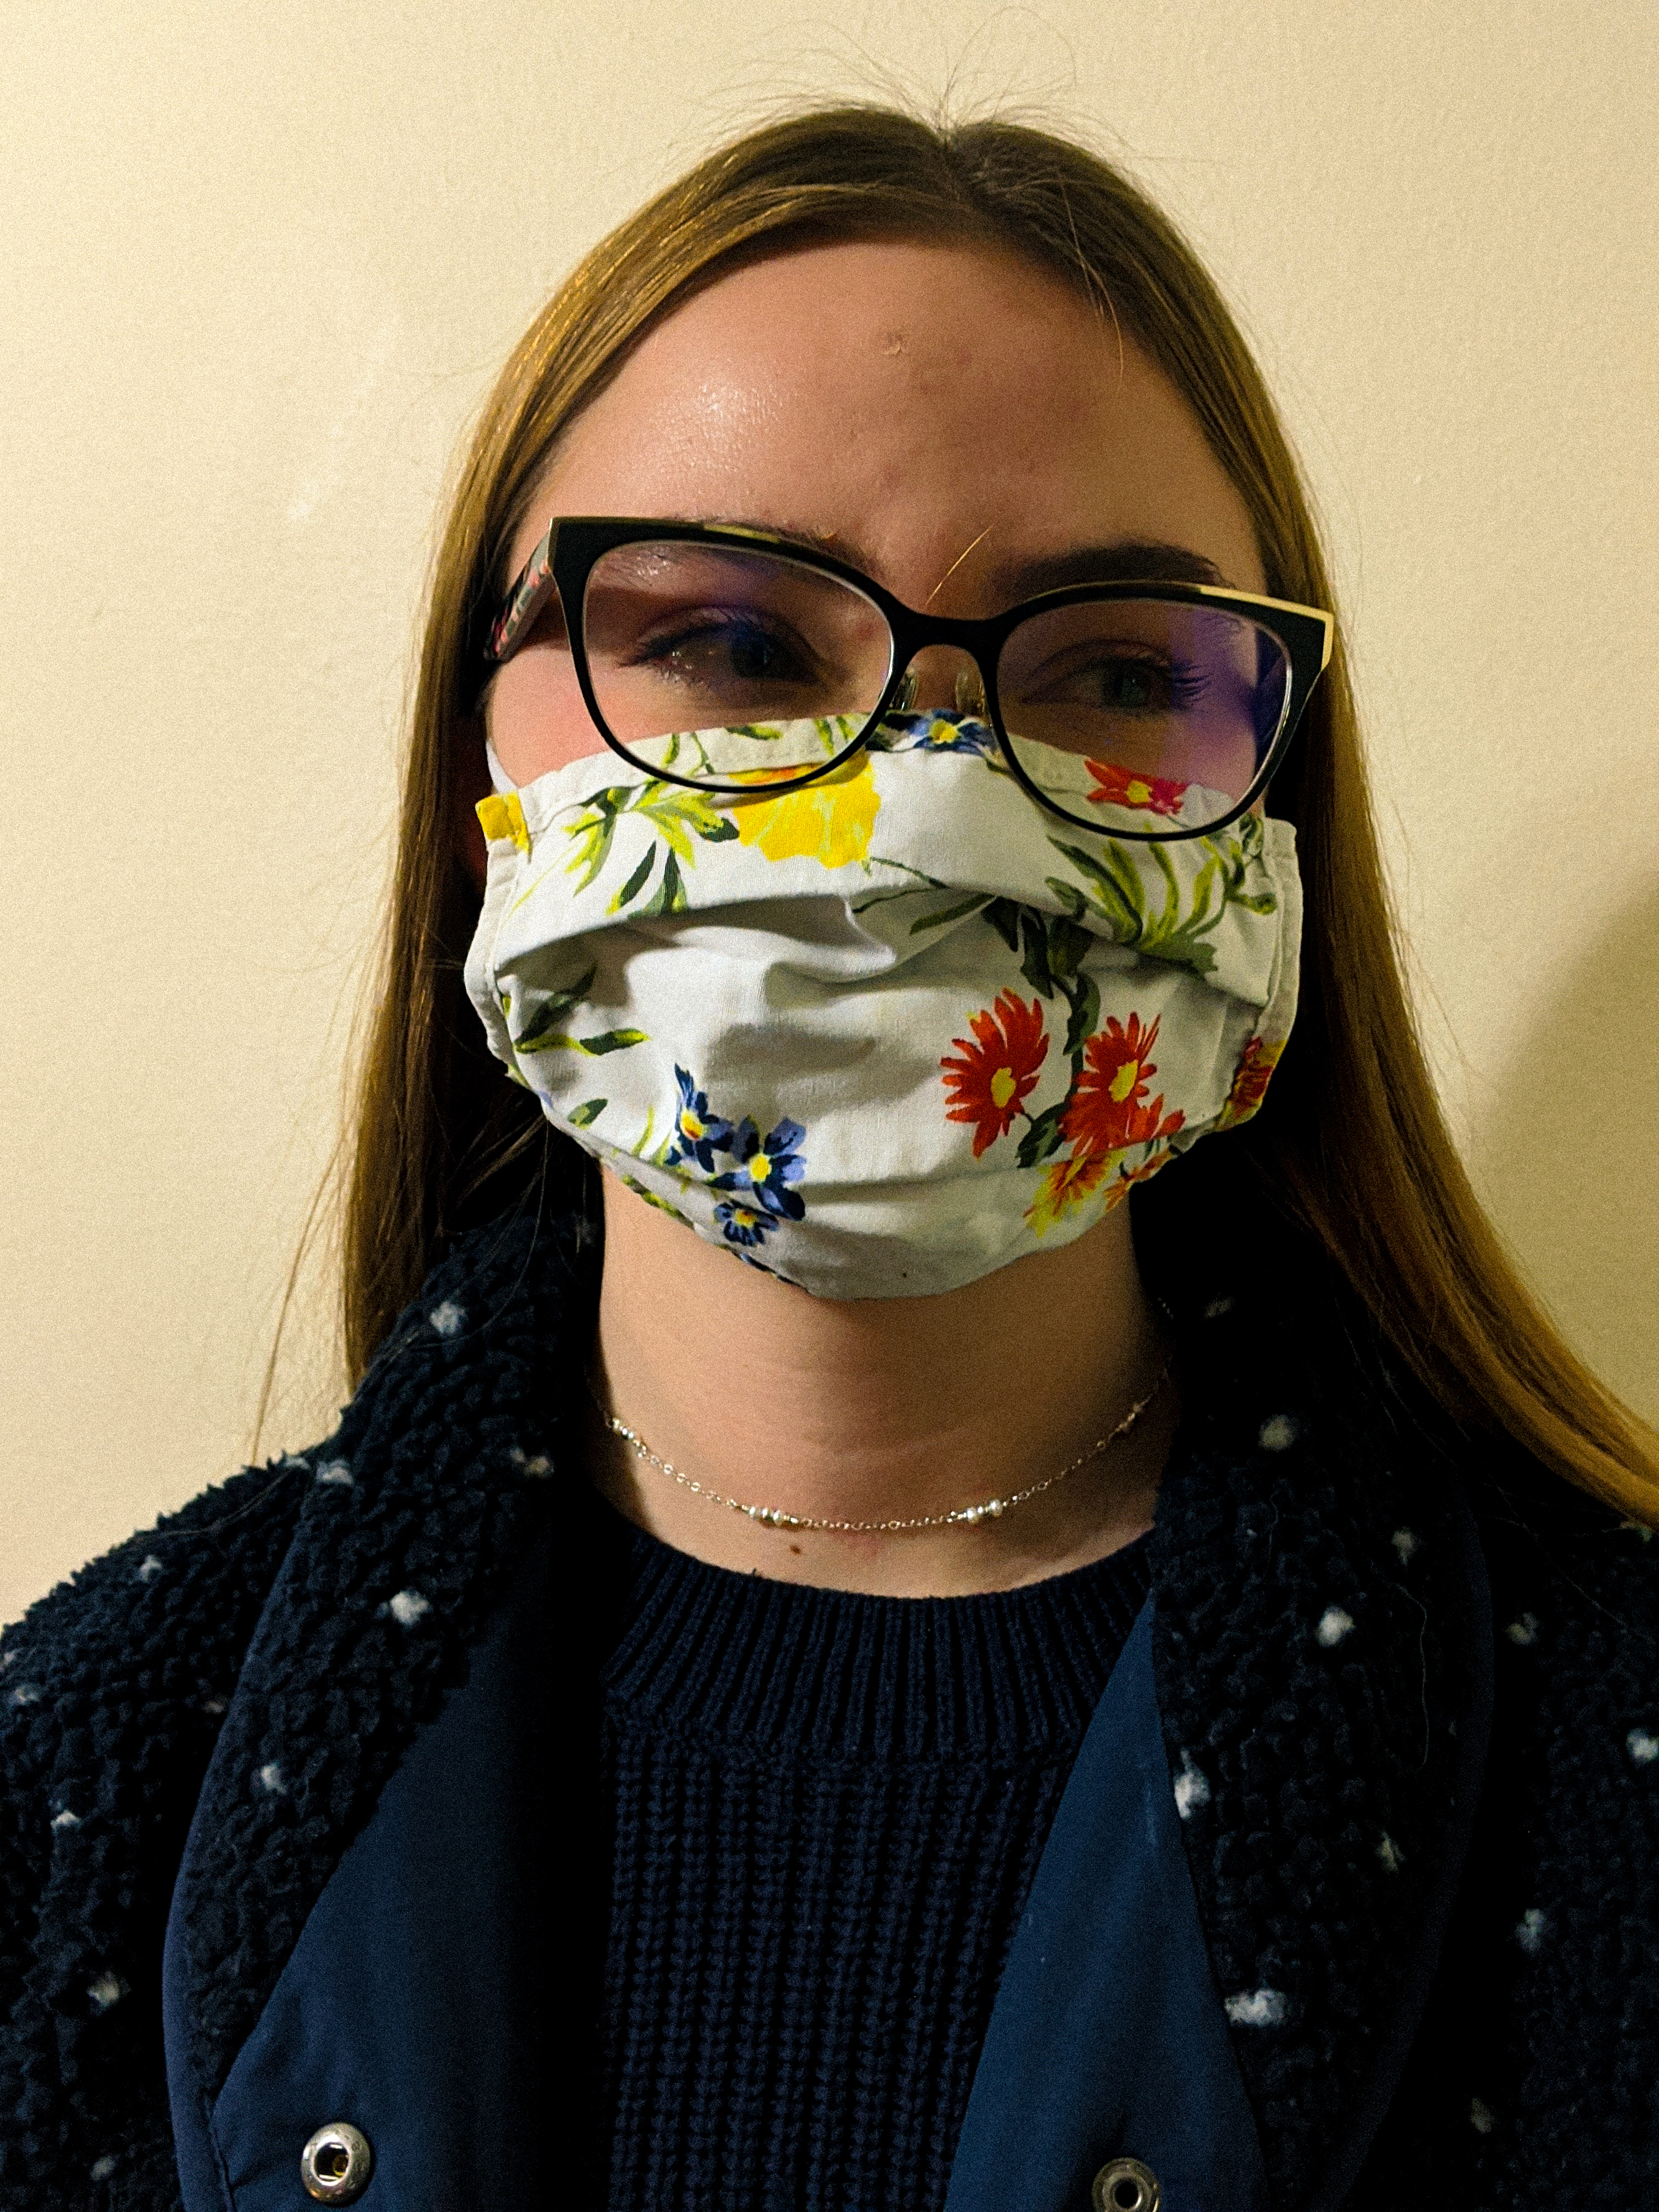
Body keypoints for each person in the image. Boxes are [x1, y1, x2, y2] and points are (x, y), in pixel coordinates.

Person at [2, 105, 1654, 2212]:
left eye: (1120, 670)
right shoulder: (74, 1791)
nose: (933, 811)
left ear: (1277, 815)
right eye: (731, 644)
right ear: (468, 766)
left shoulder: (1608, 1756)